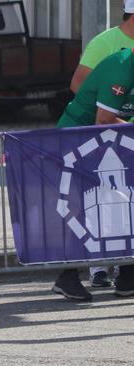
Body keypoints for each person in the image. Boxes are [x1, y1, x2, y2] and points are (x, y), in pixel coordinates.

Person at [59, 0, 134, 293]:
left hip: (122, 135)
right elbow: (80, 85)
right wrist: (115, 112)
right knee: (84, 203)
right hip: (91, 136)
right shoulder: (108, 44)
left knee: (126, 203)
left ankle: (127, 273)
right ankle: (72, 272)